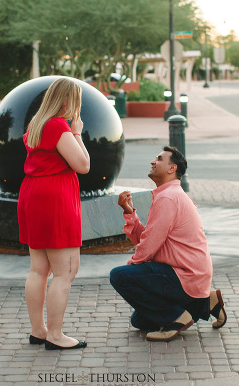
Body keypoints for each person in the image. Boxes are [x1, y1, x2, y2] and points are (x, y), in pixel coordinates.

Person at [110, 146, 227, 342]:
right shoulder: (170, 194)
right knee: (140, 321)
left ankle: (177, 318)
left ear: (172, 168)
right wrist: (130, 213)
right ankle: (207, 301)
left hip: (185, 274)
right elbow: (149, 239)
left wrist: (132, 270)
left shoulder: (168, 198)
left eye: (159, 159)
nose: (152, 162)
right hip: (188, 273)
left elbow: (147, 247)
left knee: (119, 276)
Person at [18, 78, 90, 350]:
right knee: (66, 270)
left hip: (32, 194)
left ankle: (39, 330)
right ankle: (56, 335)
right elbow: (83, 165)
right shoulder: (59, 126)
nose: (77, 108)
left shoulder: (36, 125)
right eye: (76, 102)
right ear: (66, 101)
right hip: (55, 197)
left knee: (38, 269)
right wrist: (78, 133)